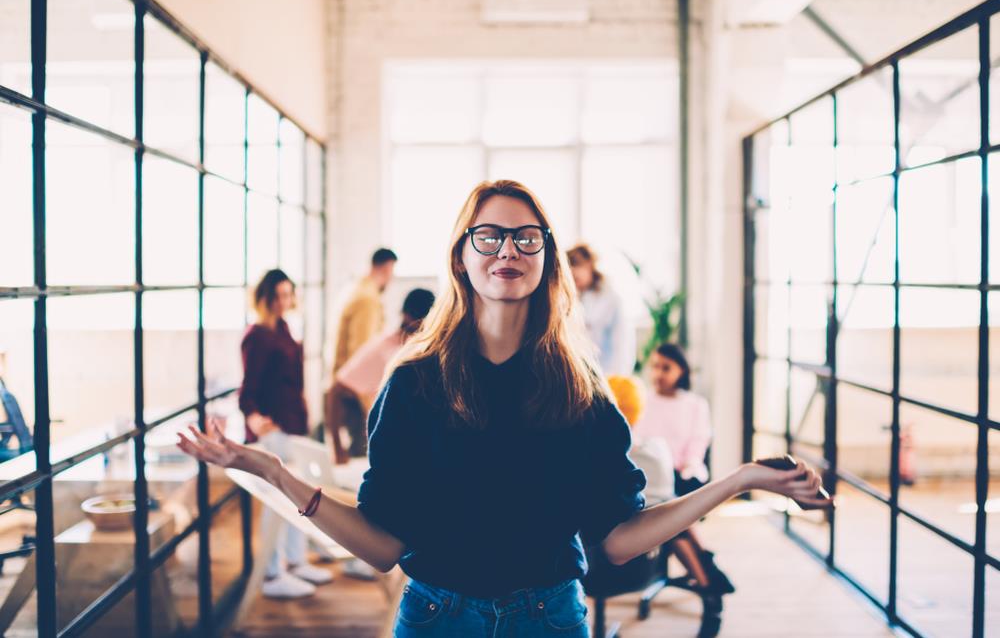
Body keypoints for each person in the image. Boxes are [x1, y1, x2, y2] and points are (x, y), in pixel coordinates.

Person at [179, 180, 831, 637]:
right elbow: (382, 548)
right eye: (487, 236)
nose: (507, 251)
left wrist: (739, 479)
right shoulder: (413, 385)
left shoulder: (582, 391)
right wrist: (269, 468)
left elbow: (620, 539)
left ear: (547, 260)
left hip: (550, 620)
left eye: (526, 238)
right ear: (461, 258)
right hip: (436, 620)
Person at [607, 375, 734, 638]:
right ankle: (708, 577)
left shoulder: (600, 456)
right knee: (675, 520)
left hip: (604, 560)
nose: (658, 373)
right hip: (638, 552)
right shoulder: (652, 450)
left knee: (675, 518)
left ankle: (708, 577)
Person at [239, 269, 334, 599]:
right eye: (278, 295)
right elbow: (247, 390)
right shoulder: (258, 335)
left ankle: (295, 561)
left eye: (288, 294)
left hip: (293, 428)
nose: (284, 301)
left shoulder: (282, 329)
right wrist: (254, 418)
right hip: (275, 432)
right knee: (277, 503)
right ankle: (271, 573)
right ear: (265, 297)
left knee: (298, 498)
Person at [327, 288, 435, 462]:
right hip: (381, 443)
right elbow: (335, 390)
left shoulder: (428, 349)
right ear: (409, 317)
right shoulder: (385, 349)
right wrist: (337, 447)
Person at [327, 248, 397, 461]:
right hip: (354, 396)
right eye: (392, 273)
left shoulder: (354, 290)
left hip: (344, 388)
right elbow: (361, 353)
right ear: (386, 268)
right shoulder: (367, 299)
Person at [635, 343, 713, 497]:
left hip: (681, 472)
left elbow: (698, 444)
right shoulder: (641, 400)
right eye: (655, 367)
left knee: (693, 486)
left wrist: (688, 466)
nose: (658, 374)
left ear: (681, 370)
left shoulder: (696, 405)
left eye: (666, 368)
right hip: (647, 471)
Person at [567, 243, 635, 376]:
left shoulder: (611, 299)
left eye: (578, 264)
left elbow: (623, 344)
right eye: (569, 265)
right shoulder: (565, 299)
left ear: (591, 266)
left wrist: (618, 376)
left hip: (608, 374)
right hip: (578, 375)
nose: (573, 271)